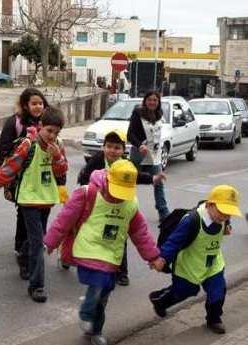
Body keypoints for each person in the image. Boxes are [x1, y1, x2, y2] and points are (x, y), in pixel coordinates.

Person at [44, 160, 161, 345]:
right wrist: (50, 243)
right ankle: (85, 313)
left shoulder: (130, 204)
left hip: (112, 254)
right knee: (99, 282)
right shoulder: (87, 193)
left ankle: (95, 330)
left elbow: (140, 232)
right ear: (108, 179)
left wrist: (153, 256)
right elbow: (64, 219)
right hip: (89, 248)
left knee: (104, 294)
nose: (120, 197)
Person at [0, 107, 68, 303]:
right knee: (38, 242)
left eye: (56, 132)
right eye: (49, 131)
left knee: (36, 238)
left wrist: (57, 157)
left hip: (46, 199)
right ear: (40, 125)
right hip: (28, 199)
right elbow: (8, 169)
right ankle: (37, 286)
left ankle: (23, 256)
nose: (52, 136)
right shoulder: (28, 145)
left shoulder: (58, 146)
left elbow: (61, 172)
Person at [77, 129, 166, 286]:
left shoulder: (126, 165)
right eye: (109, 146)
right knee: (85, 229)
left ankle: (121, 272)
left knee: (120, 234)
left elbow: (136, 176)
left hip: (120, 202)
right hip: (98, 203)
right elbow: (84, 177)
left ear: (123, 150)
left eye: (117, 147)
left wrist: (153, 178)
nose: (112, 150)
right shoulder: (98, 160)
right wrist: (92, 191)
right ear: (103, 147)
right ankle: (75, 255)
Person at [149, 185, 241, 335]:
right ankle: (160, 301)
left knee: (218, 291)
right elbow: (174, 242)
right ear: (210, 205)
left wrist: (226, 226)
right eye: (222, 212)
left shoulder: (223, 218)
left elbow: (224, 223)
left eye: (229, 214)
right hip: (189, 265)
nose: (225, 217)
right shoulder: (191, 220)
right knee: (185, 291)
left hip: (212, 263)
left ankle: (214, 319)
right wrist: (162, 259)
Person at [0, 88, 53, 280]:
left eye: (40, 103)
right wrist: (7, 180)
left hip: (43, 181)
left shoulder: (48, 123)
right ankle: (23, 251)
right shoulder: (15, 123)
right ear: (25, 105)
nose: (38, 107)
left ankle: (24, 249)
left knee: (37, 218)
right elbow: (5, 153)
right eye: (34, 103)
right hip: (22, 180)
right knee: (24, 214)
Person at [127, 91, 170, 222]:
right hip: (139, 155)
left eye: (155, 100)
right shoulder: (138, 113)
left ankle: (163, 212)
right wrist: (140, 145)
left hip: (155, 155)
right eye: (149, 100)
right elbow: (130, 135)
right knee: (130, 182)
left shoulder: (159, 115)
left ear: (158, 102)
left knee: (158, 182)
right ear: (145, 101)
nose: (152, 102)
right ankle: (126, 210)